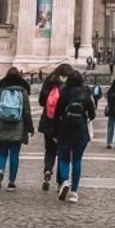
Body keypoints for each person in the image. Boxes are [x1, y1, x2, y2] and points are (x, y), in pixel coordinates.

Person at [52, 69, 96, 202]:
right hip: (81, 131)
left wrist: (55, 132)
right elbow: (92, 114)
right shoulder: (86, 93)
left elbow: (57, 114)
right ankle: (74, 193)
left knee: (64, 159)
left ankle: (65, 181)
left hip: (65, 130)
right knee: (77, 160)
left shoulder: (64, 93)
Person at [0, 66, 34, 190]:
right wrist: (30, 127)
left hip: (1, 124)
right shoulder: (23, 92)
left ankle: (0, 171)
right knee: (14, 154)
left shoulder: (1, 90)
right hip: (17, 127)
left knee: (2, 152)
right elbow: (26, 112)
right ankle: (11, 182)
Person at [38, 62, 71, 191]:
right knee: (62, 153)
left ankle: (47, 171)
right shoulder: (69, 85)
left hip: (48, 121)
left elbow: (41, 101)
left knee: (50, 150)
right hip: (63, 123)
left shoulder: (49, 82)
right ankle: (60, 182)